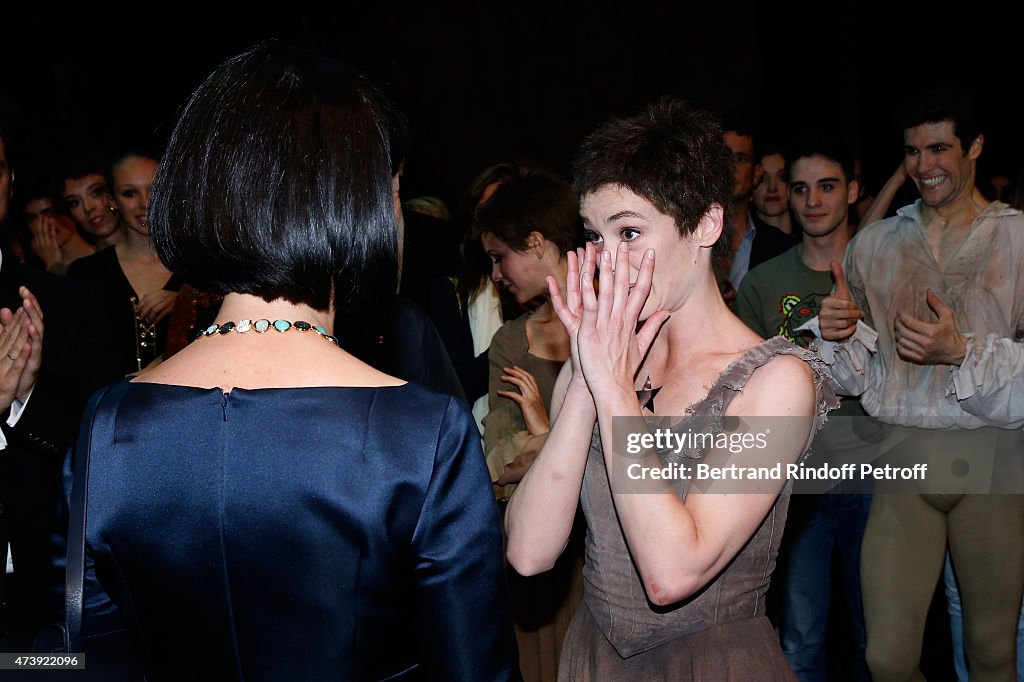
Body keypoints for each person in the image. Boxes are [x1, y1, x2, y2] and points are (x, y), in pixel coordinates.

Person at [71, 40, 518, 680]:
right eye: (393, 188)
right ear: (353, 201)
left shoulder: (107, 424)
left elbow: (70, 655)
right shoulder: (422, 435)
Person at [506, 97, 835, 680]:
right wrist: (588, 380)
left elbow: (672, 574)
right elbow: (529, 553)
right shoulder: (602, 363)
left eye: (629, 232)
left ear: (706, 224)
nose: (610, 262)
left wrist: (613, 393)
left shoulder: (777, 380)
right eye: (595, 237)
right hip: (595, 659)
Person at [817, 82, 1024, 681]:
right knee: (886, 657)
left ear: (975, 146)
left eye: (938, 149)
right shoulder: (876, 243)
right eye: (912, 152)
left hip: (993, 462)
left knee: (992, 653)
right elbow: (855, 369)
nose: (923, 166)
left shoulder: (1016, 239)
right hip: (903, 461)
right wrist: (836, 331)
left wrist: (962, 352)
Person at [735, 134, 872, 681]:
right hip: (796, 481)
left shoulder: (881, 271)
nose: (813, 200)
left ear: (853, 191)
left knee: (880, 642)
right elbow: (737, 383)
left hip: (879, 471)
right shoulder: (764, 283)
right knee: (800, 638)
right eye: (800, 188)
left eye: (828, 186)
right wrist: (809, 345)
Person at [473, 169, 584, 681]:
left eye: (501, 257)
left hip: (613, 551)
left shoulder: (625, 321)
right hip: (538, 556)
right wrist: (561, 437)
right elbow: (498, 461)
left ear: (537, 242)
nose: (497, 274)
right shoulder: (511, 343)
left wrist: (545, 435)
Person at [67, 150, 181, 374]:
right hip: (113, 405)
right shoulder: (87, 273)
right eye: (130, 193)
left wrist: (186, 304)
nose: (145, 203)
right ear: (112, 200)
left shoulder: (199, 266)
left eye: (154, 188)